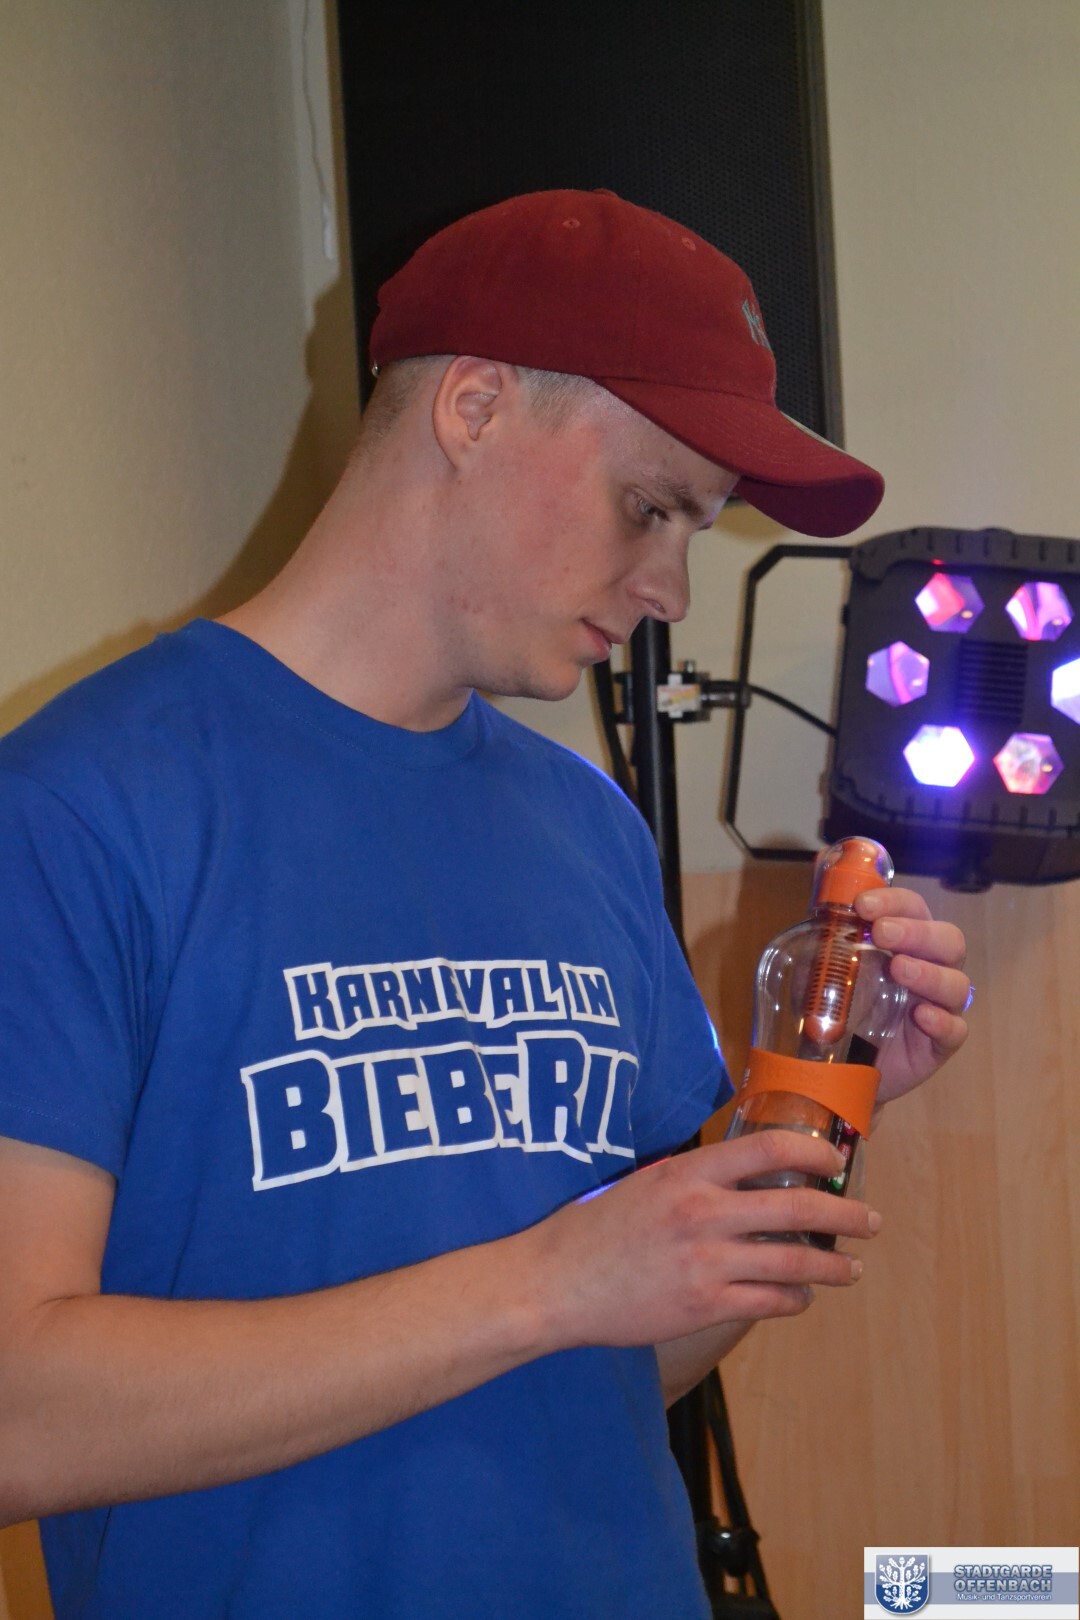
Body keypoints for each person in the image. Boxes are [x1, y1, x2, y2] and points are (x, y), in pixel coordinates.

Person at [0, 189, 970, 1619]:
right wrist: (547, 1283)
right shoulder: (79, 806)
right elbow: (19, 1417)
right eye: (649, 506)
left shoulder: (585, 825)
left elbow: (618, 1362)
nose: (671, 589)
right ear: (473, 406)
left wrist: (808, 1112)